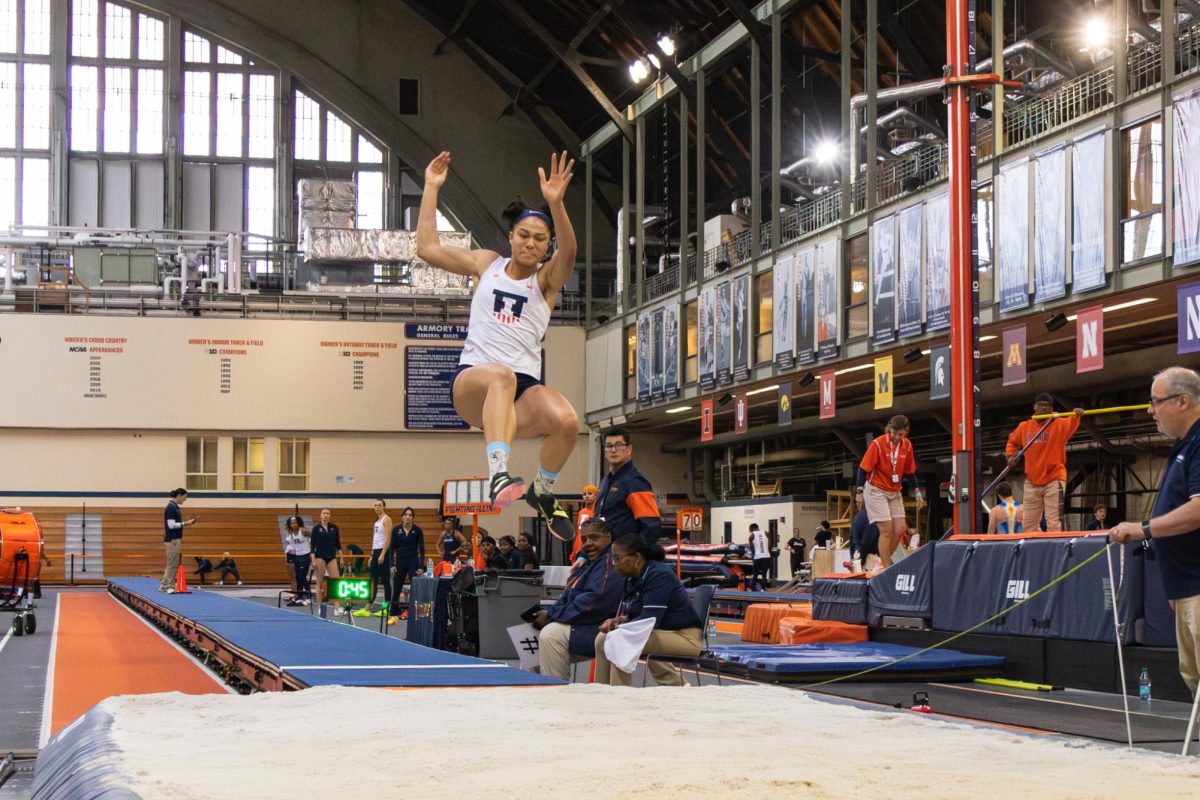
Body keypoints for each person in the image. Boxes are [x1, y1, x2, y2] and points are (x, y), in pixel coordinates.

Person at [416, 149, 578, 542]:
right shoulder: (486, 263)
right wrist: (431, 188)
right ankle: (497, 476)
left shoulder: (546, 281)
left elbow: (570, 253)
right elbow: (427, 248)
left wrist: (556, 204)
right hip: (473, 383)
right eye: (524, 235)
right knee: (501, 376)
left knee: (567, 422)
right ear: (510, 236)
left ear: (547, 246)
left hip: (520, 393)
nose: (531, 244)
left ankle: (543, 489)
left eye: (541, 239)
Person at [1110, 367, 1200, 696]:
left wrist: (1143, 529)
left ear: (1182, 401)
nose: (1151, 410)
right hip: (1186, 587)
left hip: (1197, 584)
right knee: (1193, 676)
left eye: (1155, 401)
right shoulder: (1183, 446)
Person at [592, 534, 703, 687]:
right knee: (602, 638)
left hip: (685, 637)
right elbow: (633, 615)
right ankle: (602, 689)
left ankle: (618, 695)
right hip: (660, 633)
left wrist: (619, 626)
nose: (614, 564)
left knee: (620, 639)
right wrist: (618, 620)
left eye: (617, 559)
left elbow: (650, 620)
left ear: (636, 557)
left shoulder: (659, 575)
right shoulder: (631, 579)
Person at [535, 517, 624, 680]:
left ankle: (556, 693)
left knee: (551, 634)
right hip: (588, 626)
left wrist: (551, 616)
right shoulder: (587, 563)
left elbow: (594, 603)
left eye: (594, 538)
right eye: (584, 539)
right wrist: (551, 612)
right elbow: (567, 596)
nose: (588, 543)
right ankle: (541, 690)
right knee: (532, 642)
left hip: (603, 628)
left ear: (609, 537)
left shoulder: (609, 563)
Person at [1005, 392, 1084, 532]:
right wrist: (1010, 456)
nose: (1043, 407)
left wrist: (1076, 415)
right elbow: (1012, 440)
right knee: (1028, 525)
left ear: (1051, 408)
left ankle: (1054, 550)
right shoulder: (1024, 427)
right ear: (1034, 406)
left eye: (1047, 405)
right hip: (1032, 480)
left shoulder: (1059, 423)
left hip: (1054, 478)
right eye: (1040, 404)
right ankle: (1032, 550)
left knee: (1053, 523)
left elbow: (1071, 422)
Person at [857, 414, 924, 569]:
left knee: (900, 529)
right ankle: (886, 568)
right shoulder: (878, 444)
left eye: (900, 434)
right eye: (893, 433)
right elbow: (862, 469)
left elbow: (910, 471)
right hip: (876, 490)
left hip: (894, 491)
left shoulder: (907, 445)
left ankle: (881, 562)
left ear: (905, 432)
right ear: (889, 429)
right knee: (886, 530)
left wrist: (918, 492)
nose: (895, 437)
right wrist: (859, 493)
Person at [593, 429, 661, 543]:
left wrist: (631, 554)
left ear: (629, 449)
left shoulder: (635, 482)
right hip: (605, 555)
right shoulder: (606, 481)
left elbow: (652, 527)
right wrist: (583, 555)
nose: (613, 450)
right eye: (609, 446)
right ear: (604, 450)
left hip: (623, 556)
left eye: (619, 445)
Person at [388, 506, 426, 623]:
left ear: (413, 518)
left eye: (410, 515)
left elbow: (421, 549)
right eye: (406, 514)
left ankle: (415, 611)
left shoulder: (417, 530)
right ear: (402, 517)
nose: (408, 516)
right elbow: (391, 549)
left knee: (414, 586)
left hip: (413, 560)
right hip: (400, 561)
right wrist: (392, 565)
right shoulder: (396, 530)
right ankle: (393, 612)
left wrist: (420, 566)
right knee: (397, 586)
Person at [355, 499, 393, 617]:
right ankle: (367, 608)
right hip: (376, 552)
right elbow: (375, 539)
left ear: (383, 507)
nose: (377, 507)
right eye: (375, 506)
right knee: (372, 581)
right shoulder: (376, 521)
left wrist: (382, 554)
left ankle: (385, 609)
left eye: (379, 505)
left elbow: (388, 538)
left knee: (386, 581)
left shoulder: (387, 519)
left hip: (384, 553)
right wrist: (372, 554)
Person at [160, 488, 197, 593]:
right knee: (172, 564)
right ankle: (168, 586)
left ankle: (164, 585)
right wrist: (185, 523)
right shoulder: (171, 508)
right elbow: (170, 525)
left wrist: (185, 523)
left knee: (172, 563)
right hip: (173, 539)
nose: (185, 500)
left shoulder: (175, 507)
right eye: (184, 497)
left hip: (174, 539)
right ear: (179, 495)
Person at [310, 508, 342, 606]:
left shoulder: (334, 528)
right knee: (319, 582)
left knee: (335, 581)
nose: (326, 515)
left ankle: (337, 607)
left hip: (331, 556)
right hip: (320, 557)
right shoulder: (316, 528)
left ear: (330, 515)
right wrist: (313, 560)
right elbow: (312, 546)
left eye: (327, 513)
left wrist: (341, 557)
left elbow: (338, 544)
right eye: (324, 513)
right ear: (320, 516)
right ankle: (319, 606)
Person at [847, 487, 880, 571]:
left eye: (858, 502)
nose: (857, 504)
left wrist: (857, 560)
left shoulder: (859, 517)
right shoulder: (878, 515)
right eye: (856, 502)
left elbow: (861, 542)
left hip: (866, 559)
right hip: (874, 559)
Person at [284, 515, 312, 605]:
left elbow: (313, 538)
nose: (294, 525)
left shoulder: (303, 531)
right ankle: (299, 596)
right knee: (297, 576)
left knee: (302, 577)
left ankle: (309, 594)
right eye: (292, 523)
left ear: (299, 523)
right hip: (297, 556)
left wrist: (312, 551)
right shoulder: (291, 532)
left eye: (295, 523)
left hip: (305, 555)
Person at [571, 484, 598, 563]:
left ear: (596, 496)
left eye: (590, 493)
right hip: (579, 549)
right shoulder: (581, 512)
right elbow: (578, 533)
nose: (586, 496)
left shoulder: (598, 511)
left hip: (591, 550)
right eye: (584, 494)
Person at [747, 523, 771, 590]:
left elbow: (752, 549)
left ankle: (753, 590)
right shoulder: (766, 533)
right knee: (764, 575)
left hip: (757, 557)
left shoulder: (751, 536)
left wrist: (753, 558)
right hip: (766, 556)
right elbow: (769, 545)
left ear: (751, 529)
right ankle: (764, 590)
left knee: (755, 575)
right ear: (758, 527)